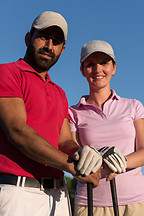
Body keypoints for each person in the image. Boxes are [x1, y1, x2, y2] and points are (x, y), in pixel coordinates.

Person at [0, 12, 102, 216]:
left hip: (58, 196)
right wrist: (72, 166)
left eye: (56, 41)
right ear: (29, 38)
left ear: (62, 50)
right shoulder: (8, 73)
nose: (49, 46)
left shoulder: (59, 92)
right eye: (43, 37)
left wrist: (81, 154)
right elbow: (17, 130)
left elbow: (64, 140)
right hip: (17, 193)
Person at [69, 40, 144, 216]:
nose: (97, 69)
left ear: (114, 68)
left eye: (104, 63)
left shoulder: (134, 106)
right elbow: (71, 152)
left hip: (137, 203)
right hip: (90, 203)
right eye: (90, 64)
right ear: (82, 70)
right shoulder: (72, 112)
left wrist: (119, 162)